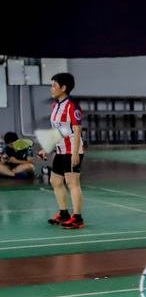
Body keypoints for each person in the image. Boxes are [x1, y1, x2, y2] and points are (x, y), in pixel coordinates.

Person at [38, 72, 86, 229]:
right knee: (55, 181)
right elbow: (55, 130)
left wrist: (75, 153)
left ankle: (77, 218)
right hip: (60, 149)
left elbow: (77, 130)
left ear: (63, 88)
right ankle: (64, 214)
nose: (51, 89)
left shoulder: (72, 106)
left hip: (72, 149)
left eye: (54, 86)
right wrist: (46, 147)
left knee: (72, 183)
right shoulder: (56, 106)